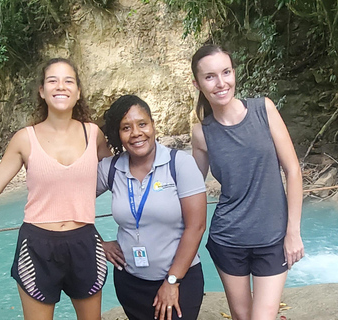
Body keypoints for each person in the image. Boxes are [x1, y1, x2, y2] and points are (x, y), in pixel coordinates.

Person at [0, 58, 112, 320]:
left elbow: (119, 176)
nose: (60, 86)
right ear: (42, 91)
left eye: (68, 81)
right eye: (52, 80)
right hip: (37, 246)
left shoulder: (93, 134)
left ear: (77, 92)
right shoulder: (24, 139)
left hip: (84, 242)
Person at [190, 44, 305, 320]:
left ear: (234, 73)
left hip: (273, 238)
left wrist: (293, 232)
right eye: (210, 77)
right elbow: (192, 191)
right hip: (228, 239)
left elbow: (293, 170)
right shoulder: (201, 134)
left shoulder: (263, 109)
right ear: (197, 83)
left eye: (226, 72)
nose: (221, 83)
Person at [97, 95, 207, 320]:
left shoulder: (180, 164)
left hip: (180, 281)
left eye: (142, 124)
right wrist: (99, 243)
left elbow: (196, 227)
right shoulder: (110, 169)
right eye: (126, 127)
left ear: (153, 125)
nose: (136, 133)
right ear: (118, 134)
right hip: (130, 283)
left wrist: (172, 281)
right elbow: (70, 203)